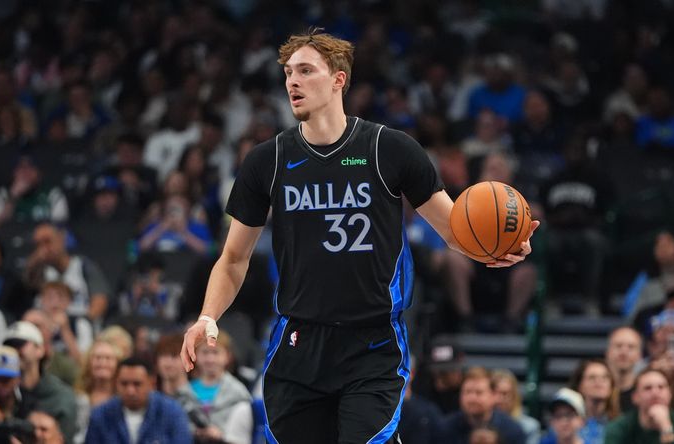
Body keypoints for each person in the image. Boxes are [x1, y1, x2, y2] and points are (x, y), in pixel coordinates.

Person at [180, 29, 537, 444]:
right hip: (299, 341)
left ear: (338, 80)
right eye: (288, 72)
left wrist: (501, 246)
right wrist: (208, 316)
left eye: (306, 71)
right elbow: (233, 259)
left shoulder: (391, 149)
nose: (292, 81)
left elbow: (456, 230)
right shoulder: (267, 161)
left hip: (373, 342)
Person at [84, 357, 192, 444]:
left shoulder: (172, 412)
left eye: (137, 384)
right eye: (124, 384)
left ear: (151, 383)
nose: (130, 391)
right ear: (116, 383)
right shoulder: (100, 415)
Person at [604, 369, 674, 444]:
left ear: (670, 394)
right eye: (648, 388)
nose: (655, 393)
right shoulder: (619, 428)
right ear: (635, 397)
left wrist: (666, 428)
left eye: (661, 387)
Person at [440, 367, 527, 444]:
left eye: (479, 393)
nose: (472, 398)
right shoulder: (445, 428)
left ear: (493, 395)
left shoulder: (511, 430)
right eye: (467, 392)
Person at [491, 369, 541, 444]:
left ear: (514, 397)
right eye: (494, 393)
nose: (499, 399)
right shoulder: (478, 424)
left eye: (504, 394)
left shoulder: (529, 427)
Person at [605, 327, 643, 412]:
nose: (624, 352)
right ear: (608, 352)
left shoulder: (645, 394)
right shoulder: (595, 391)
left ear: (639, 355)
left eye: (631, 347)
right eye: (618, 346)